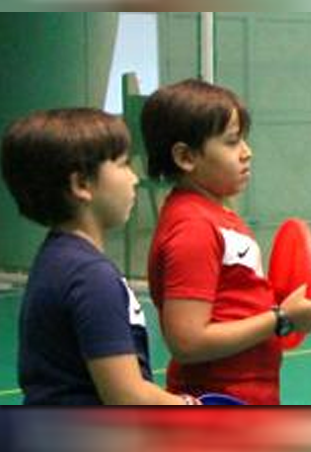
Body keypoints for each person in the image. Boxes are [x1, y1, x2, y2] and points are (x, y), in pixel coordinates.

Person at [142, 79, 311, 405]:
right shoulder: (193, 228)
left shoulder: (217, 213)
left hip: (250, 394)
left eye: (244, 139)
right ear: (186, 157)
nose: (246, 152)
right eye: (232, 142)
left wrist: (292, 294)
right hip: (218, 400)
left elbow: (234, 302)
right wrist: (280, 318)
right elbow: (187, 341)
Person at [0, 108, 195, 405]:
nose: (133, 178)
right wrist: (189, 407)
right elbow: (127, 395)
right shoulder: (90, 275)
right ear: (81, 185)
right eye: (123, 164)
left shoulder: (56, 258)